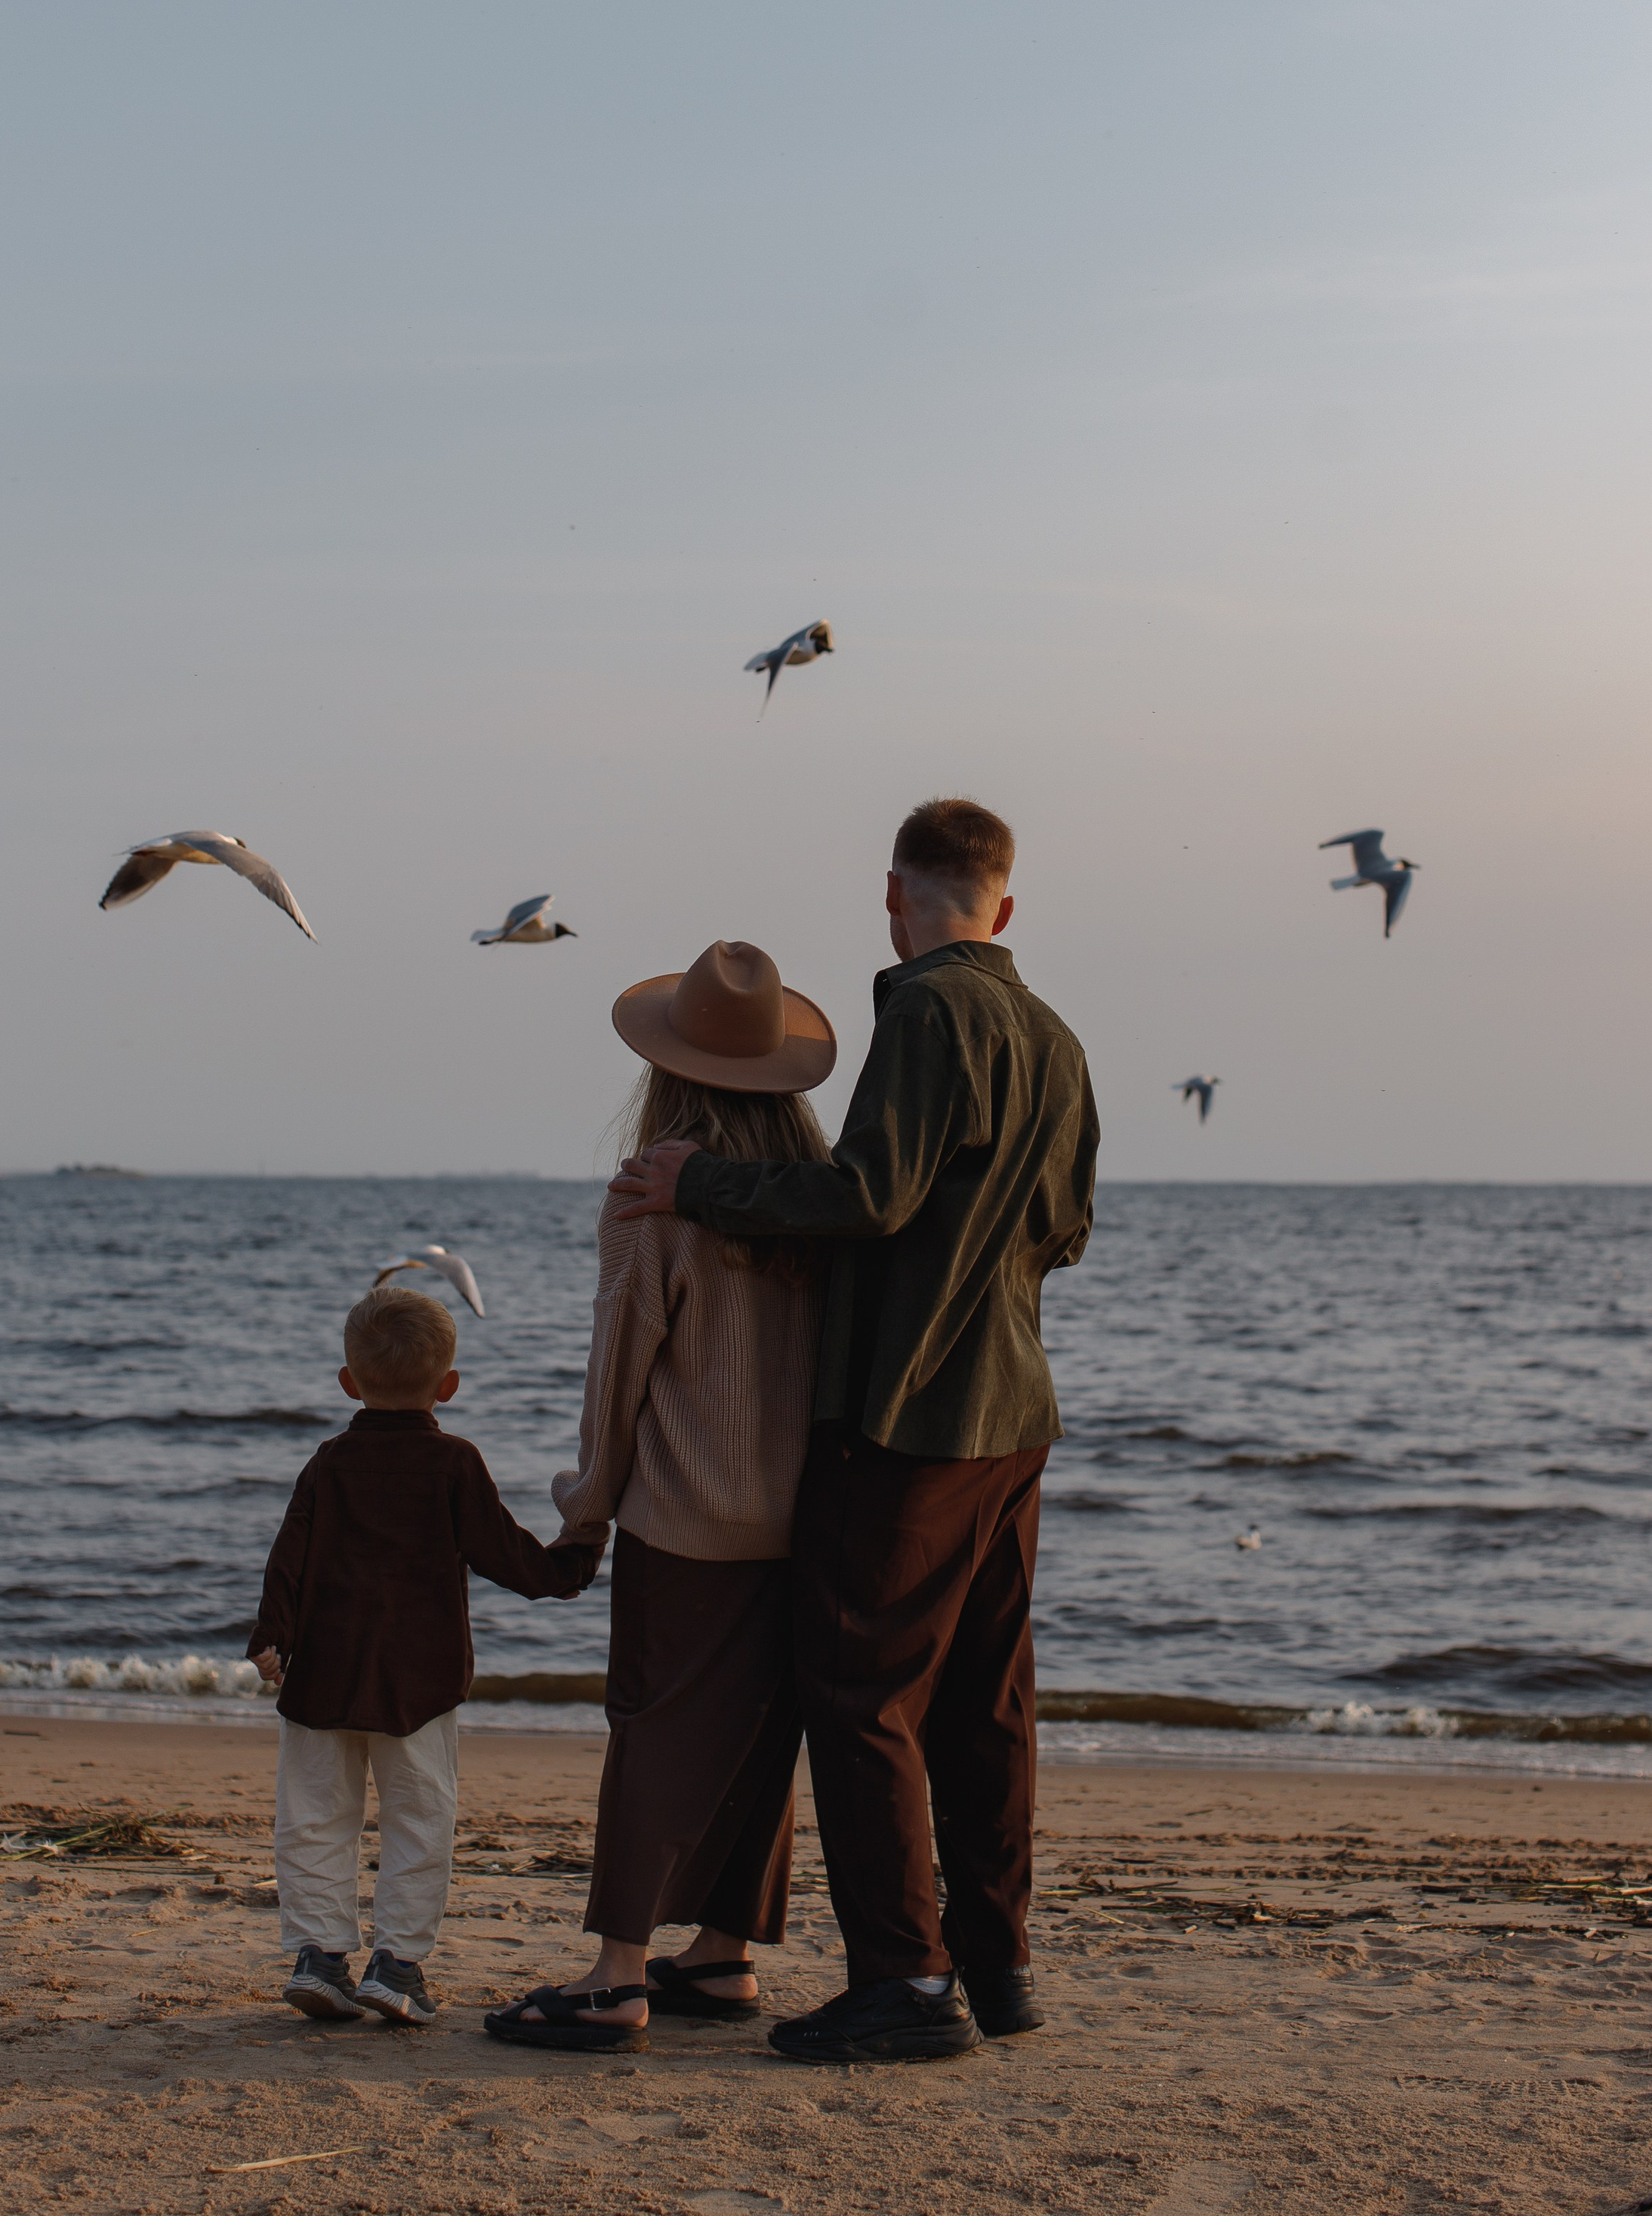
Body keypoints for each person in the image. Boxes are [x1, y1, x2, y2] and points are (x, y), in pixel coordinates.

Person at [609, 799, 1098, 2065]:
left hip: (908, 1410)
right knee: (987, 1703)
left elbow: (869, 1195)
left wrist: (697, 1184)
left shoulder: (930, 1011)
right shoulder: (1053, 1034)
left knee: (860, 1690)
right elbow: (1070, 1225)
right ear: (1007, 903)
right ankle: (997, 1963)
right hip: (1014, 1407)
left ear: (895, 897)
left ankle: (906, 1979)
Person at [484, 939, 836, 2053]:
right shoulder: (825, 1199)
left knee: (651, 1727)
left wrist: (585, 1509)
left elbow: (620, 1367)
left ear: (669, 1071)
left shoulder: (653, 1193)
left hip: (686, 1513)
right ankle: (723, 1953)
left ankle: (617, 1975)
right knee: (756, 1734)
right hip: (809, 1519)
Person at [248, 1281, 600, 2028]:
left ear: (349, 1382)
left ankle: (319, 1954)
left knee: (313, 1817)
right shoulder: (454, 1464)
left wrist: (270, 1635)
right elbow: (506, 1554)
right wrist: (574, 1558)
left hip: (324, 1675)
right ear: (448, 1386)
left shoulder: (328, 1461)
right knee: (419, 1818)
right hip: (419, 1681)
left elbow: (289, 1556)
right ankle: (398, 1965)